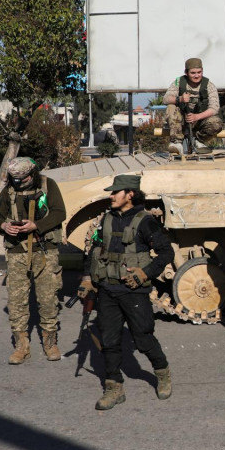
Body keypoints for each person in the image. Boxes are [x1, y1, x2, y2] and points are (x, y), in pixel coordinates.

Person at [77, 174, 174, 411]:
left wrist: (144, 274)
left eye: (115, 192)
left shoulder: (146, 222)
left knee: (143, 338)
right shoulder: (107, 219)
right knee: (109, 340)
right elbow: (94, 249)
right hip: (108, 290)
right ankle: (114, 387)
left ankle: (162, 374)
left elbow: (166, 253)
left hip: (133, 291)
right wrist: (88, 278)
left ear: (129, 194)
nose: (111, 196)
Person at [0, 157, 66, 365]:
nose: (18, 183)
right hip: (17, 251)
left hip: (45, 250)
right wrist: (4, 227)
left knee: (48, 298)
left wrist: (37, 226)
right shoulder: (9, 191)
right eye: (14, 179)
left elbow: (60, 213)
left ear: (32, 174)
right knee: (17, 301)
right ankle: (21, 346)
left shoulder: (48, 185)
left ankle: (50, 342)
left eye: (22, 179)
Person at [163, 57, 224, 153]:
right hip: (181, 121)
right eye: (193, 73)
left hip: (200, 121)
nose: (196, 75)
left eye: (199, 72)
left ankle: (198, 141)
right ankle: (176, 142)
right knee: (171, 107)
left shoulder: (209, 85)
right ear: (186, 72)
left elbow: (214, 108)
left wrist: (197, 116)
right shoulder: (178, 82)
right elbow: (166, 99)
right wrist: (180, 99)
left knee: (217, 123)